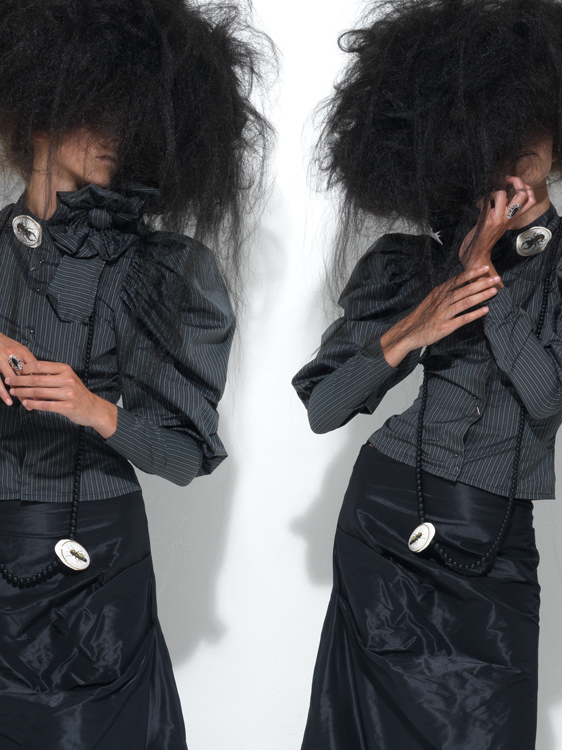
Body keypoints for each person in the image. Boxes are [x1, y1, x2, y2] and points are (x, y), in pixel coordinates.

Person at [0, 1, 271, 748]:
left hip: (100, 562)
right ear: (39, 110)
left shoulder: (161, 271)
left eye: (134, 116)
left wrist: (94, 408)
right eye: (99, 109)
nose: (119, 134)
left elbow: (184, 455)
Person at [292, 0, 562, 748]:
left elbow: (546, 399)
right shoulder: (409, 264)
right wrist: (416, 325)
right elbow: (323, 408)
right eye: (493, 135)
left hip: (495, 538)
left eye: (529, 129)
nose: (515, 153)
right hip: (386, 518)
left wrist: (482, 277)